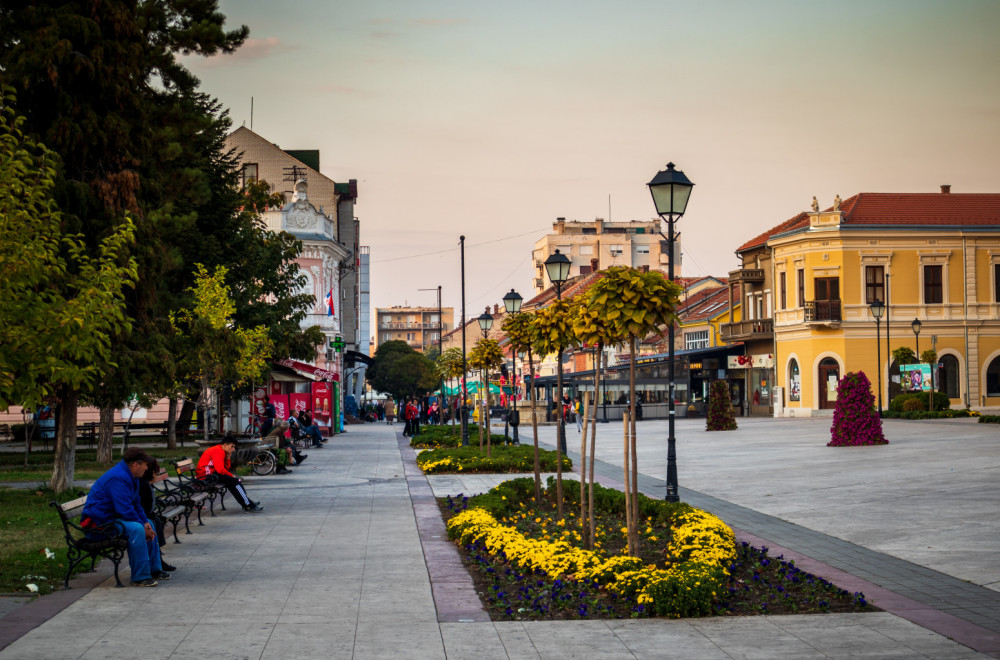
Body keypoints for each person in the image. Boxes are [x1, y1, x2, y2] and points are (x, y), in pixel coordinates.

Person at [82, 448, 169, 587]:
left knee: (150, 524)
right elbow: (124, 509)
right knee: (136, 529)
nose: (147, 468)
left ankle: (154, 570)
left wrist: (145, 522)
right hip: (100, 525)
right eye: (145, 465)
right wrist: (141, 525)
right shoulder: (118, 478)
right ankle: (140, 577)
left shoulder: (130, 476)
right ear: (136, 465)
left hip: (112, 519)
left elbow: (136, 504)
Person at [197, 434, 262, 512]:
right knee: (234, 481)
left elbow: (225, 468)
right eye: (232, 446)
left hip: (211, 475)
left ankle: (247, 503)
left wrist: (228, 457)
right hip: (206, 477)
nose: (233, 449)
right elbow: (220, 470)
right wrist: (231, 475)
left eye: (234, 447)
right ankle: (247, 505)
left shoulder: (221, 450)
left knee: (234, 481)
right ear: (225, 445)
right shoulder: (218, 451)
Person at [139, 459, 177, 572]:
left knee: (157, 521)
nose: (157, 475)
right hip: (144, 517)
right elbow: (144, 506)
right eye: (156, 472)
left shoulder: (147, 484)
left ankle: (158, 557)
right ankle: (157, 560)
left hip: (148, 515)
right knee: (155, 522)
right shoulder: (144, 485)